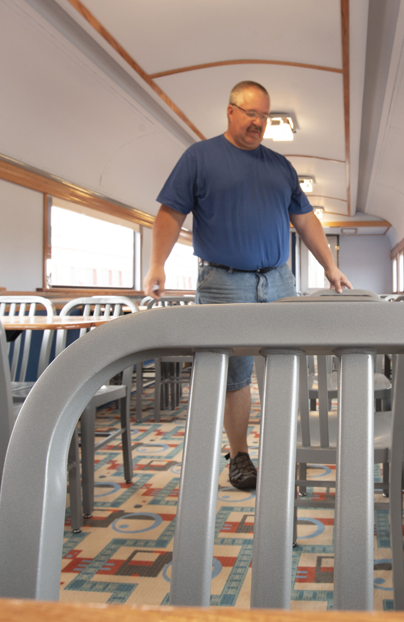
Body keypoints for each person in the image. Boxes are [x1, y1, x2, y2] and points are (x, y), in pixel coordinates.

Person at [143, 80, 352, 490]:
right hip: (223, 282)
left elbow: (306, 220)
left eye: (264, 115)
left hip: (279, 280)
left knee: (286, 366)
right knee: (235, 375)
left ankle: (283, 447)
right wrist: (156, 264)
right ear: (230, 111)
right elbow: (170, 213)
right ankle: (239, 455)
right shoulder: (199, 158)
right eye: (251, 113)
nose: (258, 122)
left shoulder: (279, 166)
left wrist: (330, 265)